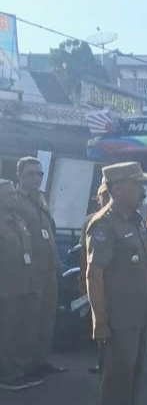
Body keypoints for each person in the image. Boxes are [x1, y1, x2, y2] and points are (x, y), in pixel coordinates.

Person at [84, 162, 147, 405]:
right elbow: (94, 275)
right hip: (119, 318)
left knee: (133, 377)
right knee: (117, 378)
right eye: (135, 183)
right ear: (116, 189)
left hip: (140, 314)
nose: (142, 189)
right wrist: (100, 321)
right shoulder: (104, 224)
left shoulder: (135, 220)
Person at [14, 156, 66, 378]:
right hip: (29, 270)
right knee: (28, 319)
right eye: (31, 174)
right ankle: (22, 364)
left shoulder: (40, 198)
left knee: (46, 316)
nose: (36, 178)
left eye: (40, 174)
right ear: (19, 175)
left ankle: (40, 359)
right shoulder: (14, 200)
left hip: (48, 268)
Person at [0, 180, 43, 391]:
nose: (14, 197)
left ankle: (17, 369)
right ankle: (6, 374)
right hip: (5, 286)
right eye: (8, 194)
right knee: (5, 331)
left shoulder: (18, 220)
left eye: (14, 194)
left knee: (19, 330)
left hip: (23, 284)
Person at [81, 183, 110, 375]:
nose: (107, 198)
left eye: (110, 194)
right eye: (103, 195)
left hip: (119, 283)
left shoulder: (129, 219)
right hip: (98, 281)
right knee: (99, 321)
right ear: (97, 199)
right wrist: (82, 278)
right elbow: (84, 254)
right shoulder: (91, 221)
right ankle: (103, 362)